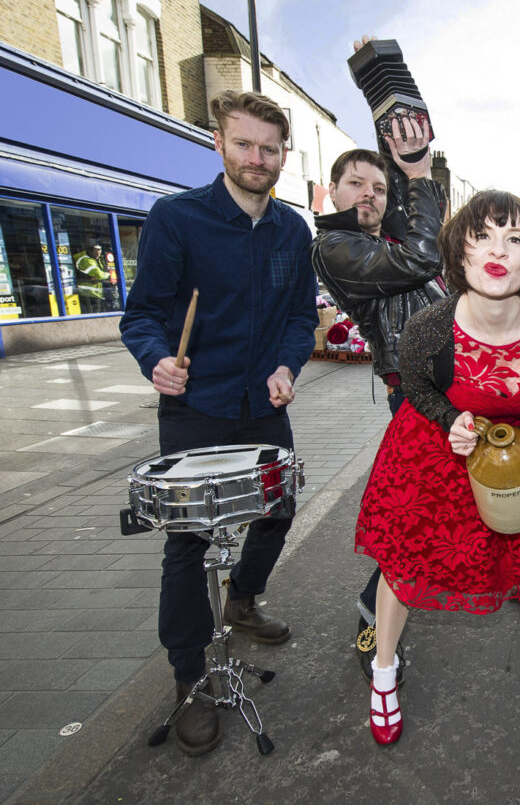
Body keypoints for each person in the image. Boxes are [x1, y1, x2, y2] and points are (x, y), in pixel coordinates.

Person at [355, 190, 520, 746]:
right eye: (482, 237)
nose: (498, 250)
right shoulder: (429, 326)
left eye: (514, 239)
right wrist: (449, 419)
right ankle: (385, 672)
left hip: (515, 448)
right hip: (436, 452)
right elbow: (414, 385)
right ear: (460, 255)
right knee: (404, 568)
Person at [120, 91, 318, 756]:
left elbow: (298, 316)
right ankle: (188, 680)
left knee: (280, 508)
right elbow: (141, 313)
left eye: (268, 148)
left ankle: (243, 600)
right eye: (244, 144)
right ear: (219, 145)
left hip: (263, 404)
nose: (256, 158)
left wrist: (290, 364)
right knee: (188, 542)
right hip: (195, 406)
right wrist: (157, 361)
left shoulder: (294, 231)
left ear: (284, 155)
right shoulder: (177, 219)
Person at [311, 69, 447, 679]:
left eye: (375, 185)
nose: (367, 193)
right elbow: (422, 257)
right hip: (414, 395)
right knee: (418, 515)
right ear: (332, 191)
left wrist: (379, 75)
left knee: (449, 507)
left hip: (450, 384)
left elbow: (403, 158)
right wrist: (413, 180)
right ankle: (374, 615)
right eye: (354, 184)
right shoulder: (338, 248)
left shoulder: (385, 227)